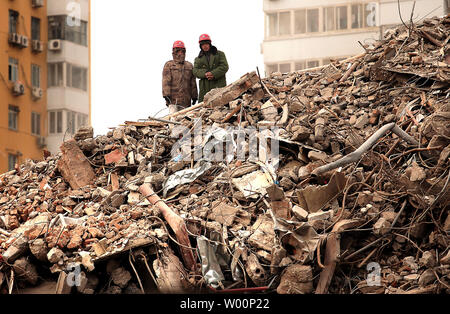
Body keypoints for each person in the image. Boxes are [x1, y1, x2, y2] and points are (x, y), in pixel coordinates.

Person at [162, 40, 198, 114]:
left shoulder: (189, 65)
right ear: (174, 52)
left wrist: (194, 96)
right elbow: (166, 81)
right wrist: (166, 95)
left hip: (186, 100)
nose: (180, 53)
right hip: (172, 100)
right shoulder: (169, 65)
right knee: (173, 120)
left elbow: (193, 82)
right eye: (177, 51)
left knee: (185, 121)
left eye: (182, 51)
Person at [193, 34, 229, 103]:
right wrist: (205, 73)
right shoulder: (198, 59)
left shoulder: (220, 54)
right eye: (203, 44)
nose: (205, 46)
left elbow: (224, 66)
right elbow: (195, 71)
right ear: (200, 46)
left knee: (222, 107)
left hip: (218, 86)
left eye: (206, 43)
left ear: (210, 44)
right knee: (204, 109)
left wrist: (213, 73)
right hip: (205, 89)